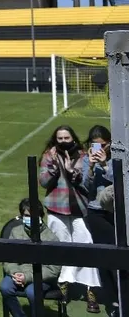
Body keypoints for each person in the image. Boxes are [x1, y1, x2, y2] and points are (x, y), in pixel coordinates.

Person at [38, 125, 100, 305]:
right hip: (56, 208)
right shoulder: (49, 156)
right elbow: (43, 182)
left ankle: (90, 288)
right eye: (60, 138)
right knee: (61, 246)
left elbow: (88, 184)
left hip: (79, 208)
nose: (64, 141)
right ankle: (63, 284)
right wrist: (54, 167)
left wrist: (72, 172)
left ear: (73, 138)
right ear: (55, 140)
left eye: (67, 138)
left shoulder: (83, 155)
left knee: (86, 246)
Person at [0, 198, 61, 317]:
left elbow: (53, 269)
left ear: (40, 216)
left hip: (41, 277)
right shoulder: (15, 232)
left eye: (34, 215)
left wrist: (27, 277)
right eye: (27, 216)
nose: (30, 218)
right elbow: (8, 258)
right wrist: (15, 272)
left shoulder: (51, 238)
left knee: (32, 292)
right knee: (5, 287)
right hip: (19, 272)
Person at [80, 125, 116, 314]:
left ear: (109, 143)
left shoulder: (116, 157)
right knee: (105, 256)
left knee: (118, 254)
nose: (99, 149)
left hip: (115, 211)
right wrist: (92, 167)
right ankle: (113, 300)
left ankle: (120, 295)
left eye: (103, 145)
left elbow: (119, 180)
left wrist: (105, 165)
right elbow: (85, 186)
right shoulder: (87, 160)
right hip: (96, 212)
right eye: (95, 145)